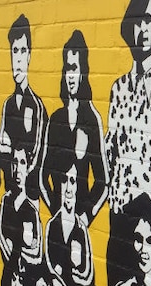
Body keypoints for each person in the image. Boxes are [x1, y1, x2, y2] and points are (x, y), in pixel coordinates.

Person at [105, 0, 151, 286]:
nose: (146, 28)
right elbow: (111, 152)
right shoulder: (119, 87)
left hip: (147, 222)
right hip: (120, 215)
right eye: (141, 20)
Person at [41, 29, 108, 223]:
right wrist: (55, 211)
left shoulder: (92, 120)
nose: (70, 75)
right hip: (57, 225)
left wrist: (86, 217)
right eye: (67, 68)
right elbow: (42, 177)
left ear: (82, 73)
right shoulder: (55, 120)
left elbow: (102, 182)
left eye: (75, 68)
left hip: (80, 224)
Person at [0, 14, 48, 204]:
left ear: (29, 56)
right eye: (14, 51)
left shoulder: (36, 107)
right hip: (9, 195)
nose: (17, 59)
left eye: (22, 51)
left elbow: (36, 158)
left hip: (30, 200)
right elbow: (0, 148)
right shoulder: (7, 105)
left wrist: (10, 150)